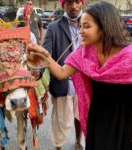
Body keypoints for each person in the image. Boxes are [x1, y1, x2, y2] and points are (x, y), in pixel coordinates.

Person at [28, 1, 132, 150]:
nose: (80, 31)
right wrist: (45, 55)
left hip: (123, 123)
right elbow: (62, 72)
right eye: (81, 26)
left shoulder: (129, 56)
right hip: (96, 118)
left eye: (86, 26)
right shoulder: (85, 53)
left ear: (104, 27)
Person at [43, 0, 85, 150]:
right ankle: (58, 146)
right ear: (63, 5)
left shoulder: (90, 25)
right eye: (69, 2)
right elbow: (45, 54)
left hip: (84, 81)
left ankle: (78, 140)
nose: (73, 6)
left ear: (82, 3)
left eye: (77, 2)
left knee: (81, 115)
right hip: (62, 80)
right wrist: (38, 74)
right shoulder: (54, 27)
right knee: (60, 119)